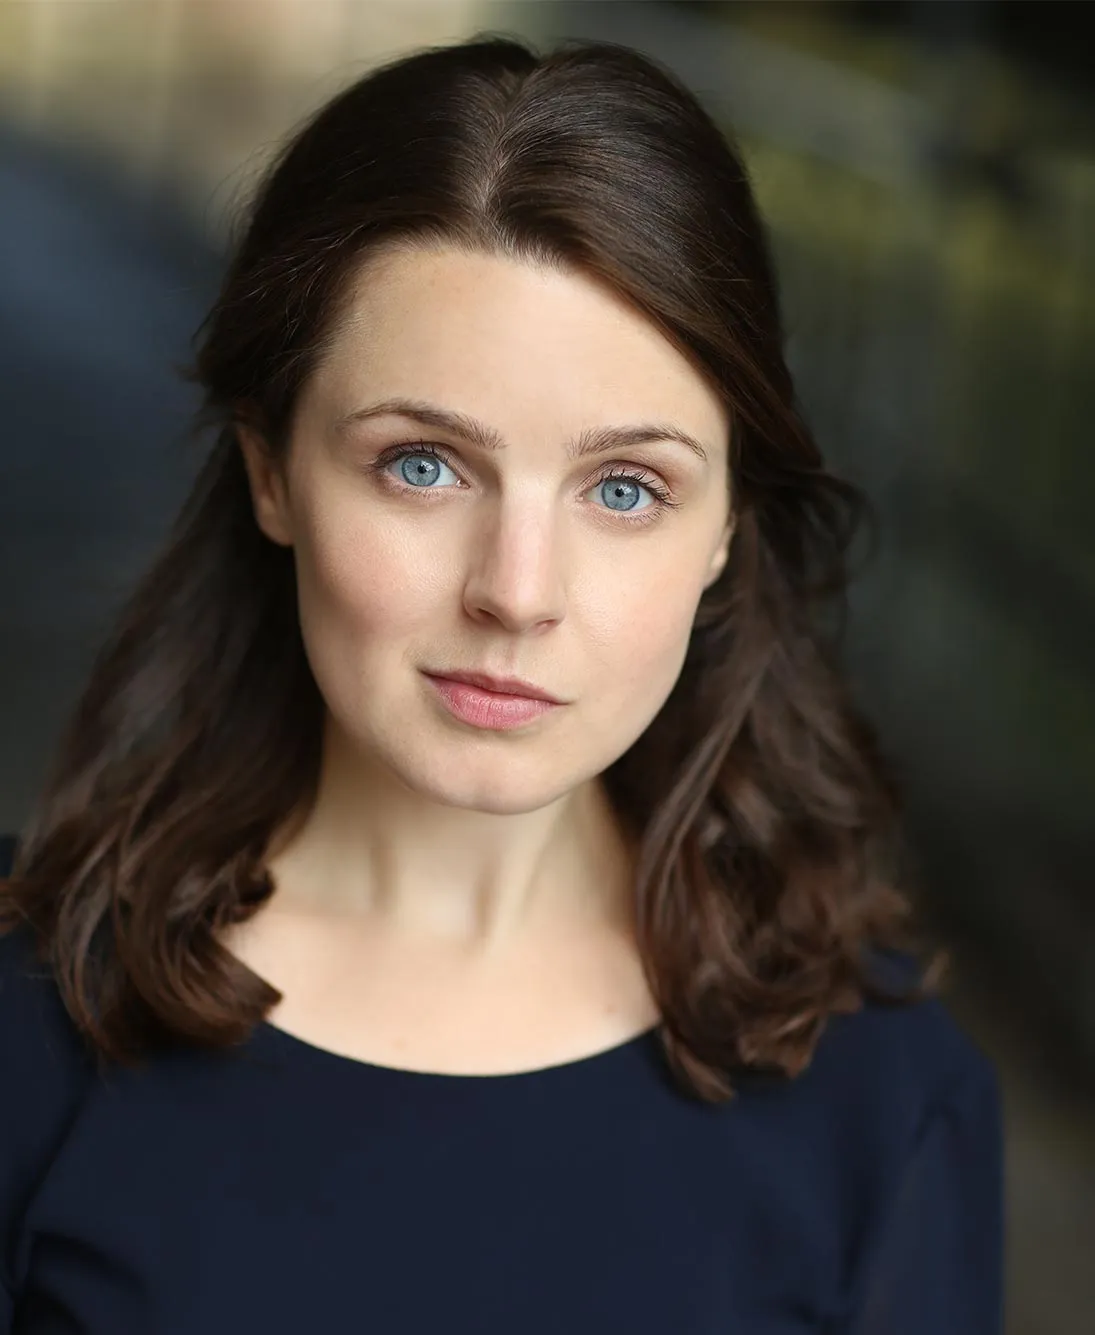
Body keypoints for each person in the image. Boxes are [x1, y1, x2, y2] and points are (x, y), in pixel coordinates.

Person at [0, 32, 1003, 1335]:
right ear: (271, 472)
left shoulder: (884, 1102)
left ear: (722, 530)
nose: (515, 590)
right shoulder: (27, 1021)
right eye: (422, 464)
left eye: (625, 488)